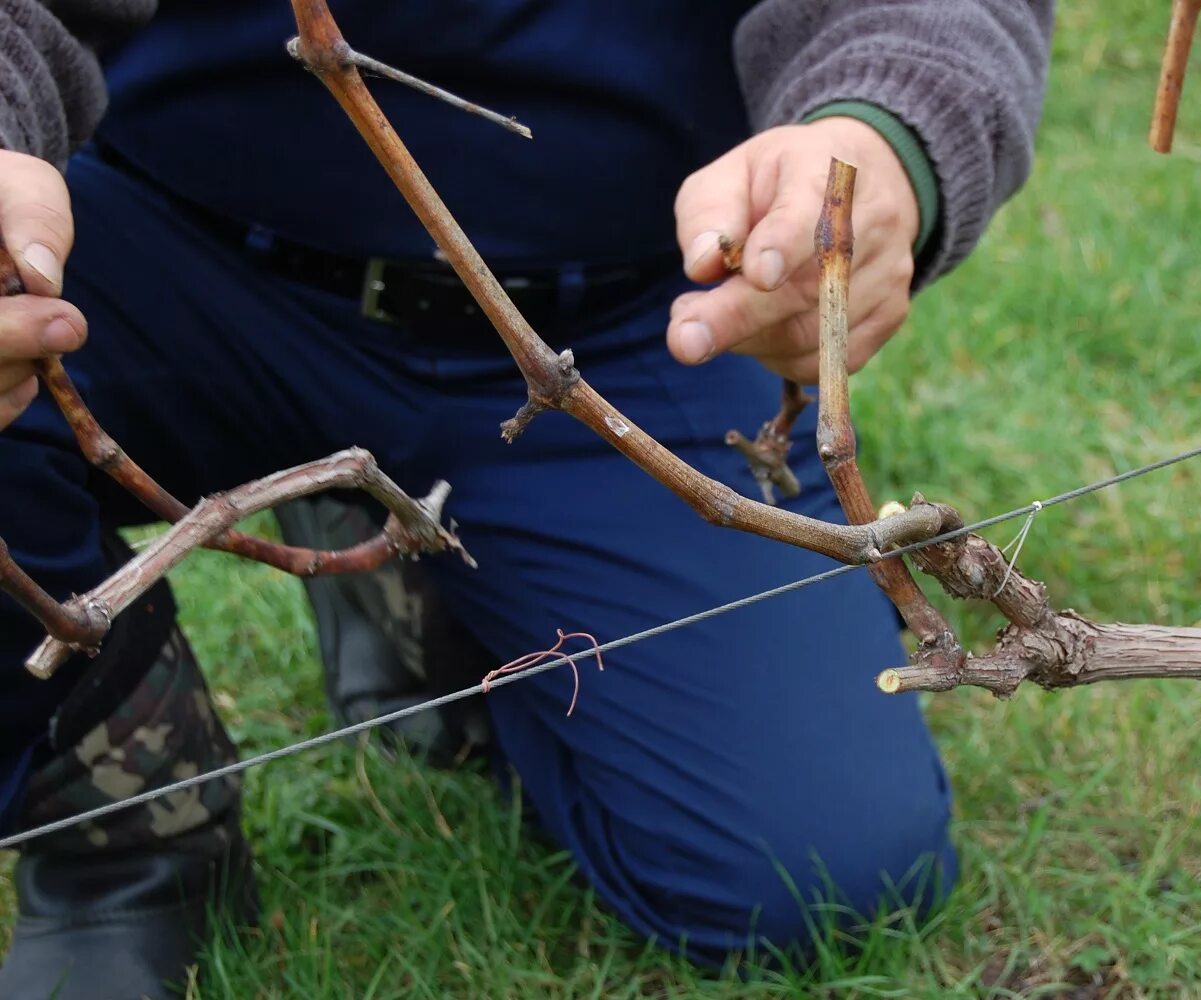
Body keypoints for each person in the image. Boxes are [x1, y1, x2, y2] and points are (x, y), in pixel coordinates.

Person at [0, 1, 1054, 996]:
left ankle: (418, 562)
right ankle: (130, 832)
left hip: (625, 316)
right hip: (160, 250)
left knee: (820, 874)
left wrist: (882, 131)